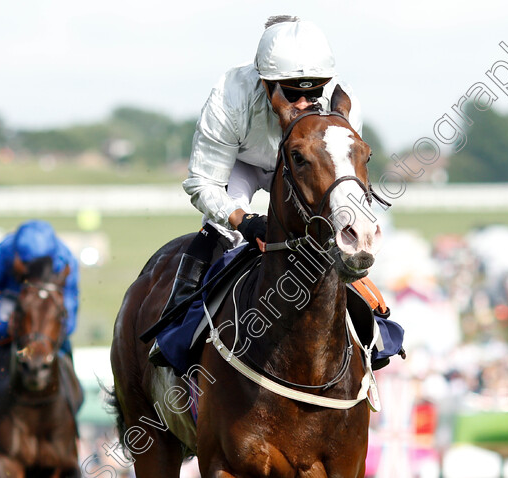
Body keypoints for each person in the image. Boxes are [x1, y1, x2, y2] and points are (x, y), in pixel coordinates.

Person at [148, 16, 366, 366]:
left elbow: (344, 175)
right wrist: (243, 220)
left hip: (303, 168)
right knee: (220, 230)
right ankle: (177, 324)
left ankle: (373, 323)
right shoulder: (229, 95)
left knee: (337, 232)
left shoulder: (343, 100)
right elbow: (202, 181)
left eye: (315, 91)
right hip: (243, 165)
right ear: (265, 83)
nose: (306, 102)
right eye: (293, 93)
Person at [0, 220, 79, 416]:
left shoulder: (65, 258)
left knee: (62, 348)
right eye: (28, 265)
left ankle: (74, 398)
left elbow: (70, 302)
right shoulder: (1, 252)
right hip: (9, 300)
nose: (33, 270)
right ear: (18, 257)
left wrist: (56, 331)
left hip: (45, 307)